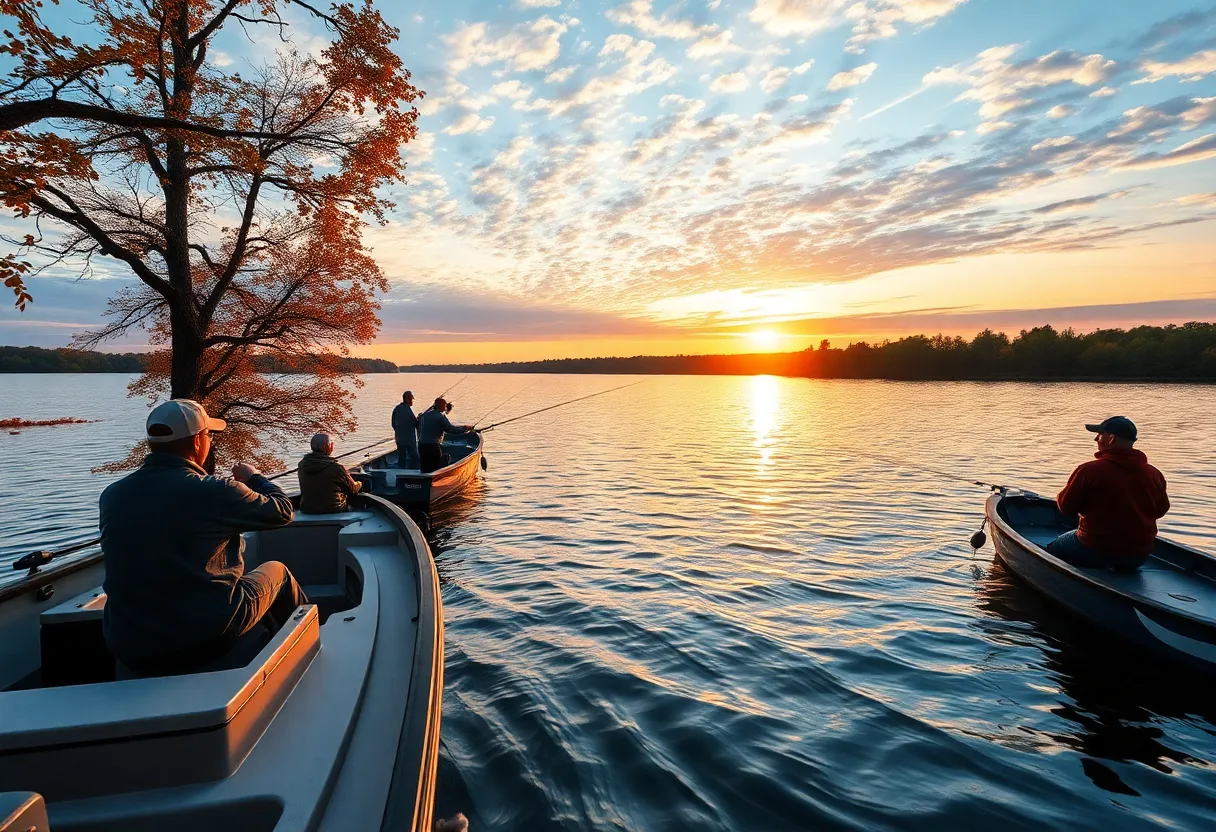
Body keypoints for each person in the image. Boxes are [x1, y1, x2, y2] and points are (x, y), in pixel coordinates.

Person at [100, 399, 307, 674]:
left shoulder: (112, 495)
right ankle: (311, 648)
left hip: (130, 645)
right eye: (209, 435)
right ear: (198, 441)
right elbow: (283, 510)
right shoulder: (216, 491)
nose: (209, 441)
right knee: (277, 573)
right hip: (205, 638)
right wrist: (256, 478)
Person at [1046, 416, 1170, 571]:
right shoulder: (1155, 474)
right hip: (1138, 556)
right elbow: (1161, 510)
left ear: (1111, 439)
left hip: (1094, 549)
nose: (1096, 438)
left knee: (1054, 546)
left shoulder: (1088, 471)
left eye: (1100, 434)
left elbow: (1065, 508)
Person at [298, 432, 362, 513]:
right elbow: (352, 489)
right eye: (332, 443)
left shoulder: (301, 465)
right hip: (335, 509)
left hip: (307, 510)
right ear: (328, 446)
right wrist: (359, 483)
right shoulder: (336, 467)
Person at [418, 396, 475, 473]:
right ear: (440, 406)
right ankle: (437, 481)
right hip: (433, 446)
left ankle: (420, 482)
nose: (445, 408)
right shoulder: (440, 417)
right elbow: (451, 430)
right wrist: (465, 429)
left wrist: (462, 427)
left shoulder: (425, 415)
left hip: (421, 445)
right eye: (445, 406)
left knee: (424, 468)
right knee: (438, 466)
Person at [392, 390, 420, 469]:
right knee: (414, 456)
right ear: (407, 399)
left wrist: (398, 431)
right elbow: (416, 424)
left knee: (402, 456)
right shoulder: (407, 410)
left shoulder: (397, 408)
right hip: (409, 439)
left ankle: (401, 467)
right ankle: (413, 470)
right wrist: (420, 418)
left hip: (399, 438)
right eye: (411, 399)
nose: (412, 401)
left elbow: (393, 424)